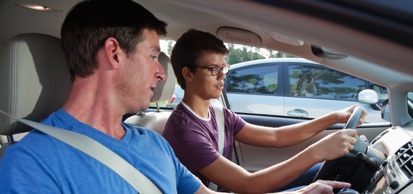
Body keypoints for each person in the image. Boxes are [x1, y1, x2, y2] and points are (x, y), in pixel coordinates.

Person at [0, 1, 204, 193]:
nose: (162, 74)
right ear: (114, 53)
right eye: (152, 56)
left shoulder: (155, 143)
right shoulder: (31, 164)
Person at [162, 29, 366, 193]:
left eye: (224, 67)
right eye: (214, 69)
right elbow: (247, 184)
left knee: (337, 172)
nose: (223, 75)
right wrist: (317, 151)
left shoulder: (218, 113)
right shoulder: (185, 131)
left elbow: (276, 137)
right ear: (188, 74)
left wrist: (335, 117)